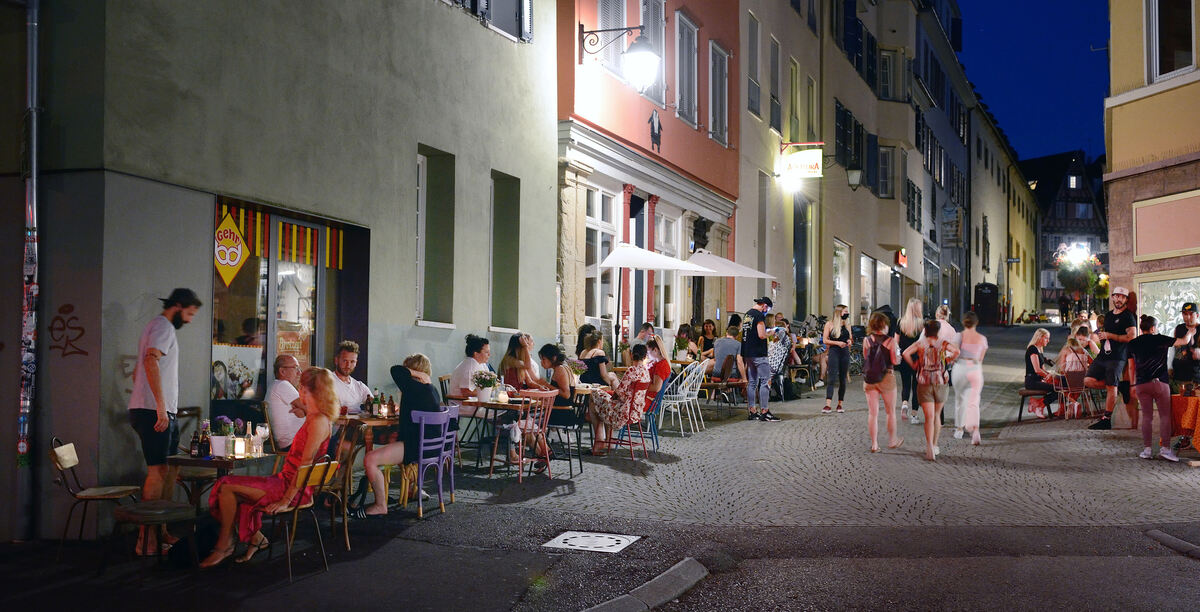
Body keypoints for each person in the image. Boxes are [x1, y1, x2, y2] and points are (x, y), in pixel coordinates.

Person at [200, 366, 335, 566]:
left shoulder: (317, 422)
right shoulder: (318, 416)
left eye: (302, 387)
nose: (299, 390)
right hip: (287, 482)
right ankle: (256, 539)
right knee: (228, 485)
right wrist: (303, 409)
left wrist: (286, 500)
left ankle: (225, 544)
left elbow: (305, 464)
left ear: (310, 390)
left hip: (292, 489)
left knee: (226, 486)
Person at [128, 287, 202, 555]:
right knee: (158, 472)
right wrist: (160, 406)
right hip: (153, 411)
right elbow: (150, 360)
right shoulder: (164, 327)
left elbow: (139, 370)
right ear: (178, 306)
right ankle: (146, 540)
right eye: (190, 313)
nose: (190, 320)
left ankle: (160, 531)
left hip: (154, 409)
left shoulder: (156, 326)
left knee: (168, 469)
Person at [353, 355, 443, 518]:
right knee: (392, 441)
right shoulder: (432, 390)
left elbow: (396, 370)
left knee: (370, 459)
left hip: (415, 448)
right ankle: (411, 488)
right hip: (432, 447)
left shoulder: (413, 386)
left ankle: (380, 505)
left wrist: (417, 373)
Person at [1128, 315, 1190, 462]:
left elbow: (1131, 366)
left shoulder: (1133, 343)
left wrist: (1132, 385)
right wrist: (1191, 331)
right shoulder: (1160, 339)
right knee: (1165, 416)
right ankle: (1165, 450)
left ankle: (1147, 450)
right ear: (1153, 328)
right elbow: (1184, 341)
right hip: (1160, 383)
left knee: (1147, 417)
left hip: (1141, 384)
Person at [903, 320, 959, 461]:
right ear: (938, 331)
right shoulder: (943, 343)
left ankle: (929, 447)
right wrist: (948, 361)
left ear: (926, 331)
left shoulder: (920, 343)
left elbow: (905, 353)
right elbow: (957, 351)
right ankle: (935, 445)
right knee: (937, 415)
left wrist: (914, 365)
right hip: (940, 381)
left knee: (929, 417)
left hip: (924, 381)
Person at [1085, 287, 1137, 430]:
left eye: (1122, 296)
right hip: (1103, 355)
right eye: (1116, 296)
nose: (1119, 299)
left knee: (1111, 387)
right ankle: (1119, 386)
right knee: (1088, 380)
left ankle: (1106, 419)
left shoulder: (1128, 316)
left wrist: (1111, 336)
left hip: (1118, 357)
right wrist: (1101, 337)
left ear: (1126, 300)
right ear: (1112, 297)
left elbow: (1132, 337)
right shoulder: (1108, 315)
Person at [588, 344, 651, 455]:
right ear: (645, 356)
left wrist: (610, 395)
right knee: (603, 402)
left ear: (631, 355)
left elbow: (619, 392)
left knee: (594, 403)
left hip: (623, 413)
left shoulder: (631, 370)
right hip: (636, 412)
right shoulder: (646, 373)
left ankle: (599, 443)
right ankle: (608, 442)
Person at [862, 312, 902, 452]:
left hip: (870, 380)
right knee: (890, 412)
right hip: (887, 378)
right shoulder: (891, 341)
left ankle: (874, 444)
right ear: (884, 325)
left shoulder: (867, 340)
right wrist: (898, 357)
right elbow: (894, 361)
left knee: (872, 413)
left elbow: (866, 357)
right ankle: (892, 440)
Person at [742, 297, 780, 422]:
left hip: (748, 353)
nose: (766, 311)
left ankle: (752, 411)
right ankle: (765, 411)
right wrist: (772, 332)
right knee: (765, 381)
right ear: (764, 306)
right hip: (758, 353)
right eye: (767, 309)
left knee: (752, 382)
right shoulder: (759, 316)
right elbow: (762, 335)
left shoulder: (747, 315)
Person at [951, 312, 988, 445]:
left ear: (963, 322)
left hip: (960, 366)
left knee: (960, 399)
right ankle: (975, 431)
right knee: (974, 401)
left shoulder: (959, 336)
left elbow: (954, 353)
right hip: (975, 368)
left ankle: (959, 429)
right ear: (976, 323)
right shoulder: (982, 339)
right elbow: (981, 358)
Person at [266, 354, 306, 450]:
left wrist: (304, 412)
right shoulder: (282, 385)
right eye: (296, 368)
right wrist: (305, 412)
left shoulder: (277, 385)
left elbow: (308, 409)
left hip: (296, 441)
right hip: (294, 443)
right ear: (282, 371)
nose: (299, 373)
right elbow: (312, 410)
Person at [822, 304, 853, 415]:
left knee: (842, 378)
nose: (847, 313)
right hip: (834, 351)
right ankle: (828, 404)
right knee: (832, 377)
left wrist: (849, 341)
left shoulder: (847, 325)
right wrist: (837, 343)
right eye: (845, 311)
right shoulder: (829, 324)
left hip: (845, 352)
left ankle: (840, 403)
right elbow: (825, 340)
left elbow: (850, 338)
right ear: (839, 312)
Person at [897, 298, 924, 424]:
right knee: (916, 387)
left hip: (904, 358)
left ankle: (904, 404)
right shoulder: (922, 324)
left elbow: (895, 341)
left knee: (905, 384)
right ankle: (914, 414)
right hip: (917, 359)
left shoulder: (901, 322)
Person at [1022, 328, 1058, 419]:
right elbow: (1037, 370)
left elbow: (1043, 369)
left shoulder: (1039, 350)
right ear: (1039, 337)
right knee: (1057, 389)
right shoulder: (1032, 349)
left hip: (1038, 380)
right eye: (1046, 338)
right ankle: (1040, 406)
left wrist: (1049, 376)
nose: (1048, 341)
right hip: (1032, 381)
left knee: (1059, 386)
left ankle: (1037, 403)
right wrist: (1048, 376)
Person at [331, 340, 372, 413]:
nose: (348, 365)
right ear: (336, 360)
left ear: (356, 363)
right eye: (345, 361)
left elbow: (375, 404)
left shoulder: (359, 386)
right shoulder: (327, 381)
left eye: (352, 361)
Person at [1169, 302, 1200, 395]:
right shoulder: (1179, 328)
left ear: (1197, 315)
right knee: (1178, 402)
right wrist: (1169, 367)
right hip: (1178, 376)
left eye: (1191, 314)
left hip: (1196, 377)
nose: (1187, 317)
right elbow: (1173, 349)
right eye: (1185, 314)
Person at [644, 335, 673, 406]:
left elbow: (656, 387)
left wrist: (639, 386)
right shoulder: (657, 362)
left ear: (655, 350)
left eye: (648, 352)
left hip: (649, 401)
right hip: (647, 397)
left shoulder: (661, 366)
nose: (647, 355)